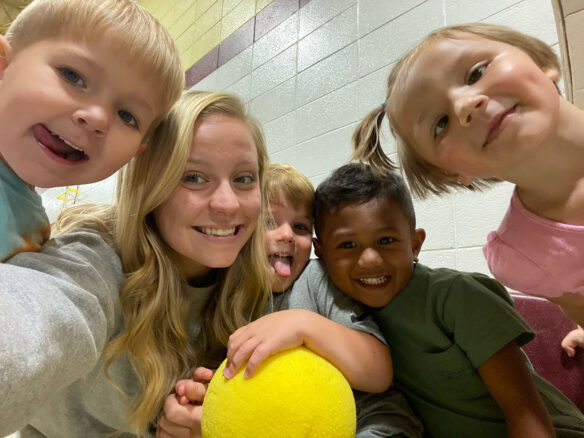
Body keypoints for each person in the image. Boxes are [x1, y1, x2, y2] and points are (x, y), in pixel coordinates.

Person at [0, 90, 272, 437]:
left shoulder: (256, 287)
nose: (227, 204)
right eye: (193, 177)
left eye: (244, 178)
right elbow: (39, 313)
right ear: (149, 185)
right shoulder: (97, 260)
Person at [312, 163, 584, 438]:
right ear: (320, 253)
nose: (370, 259)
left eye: (386, 240)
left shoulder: (457, 296)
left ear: (415, 245)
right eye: (347, 245)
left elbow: (523, 410)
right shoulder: (342, 313)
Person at [352, 23, 584, 332]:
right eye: (440, 123)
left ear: (541, 63)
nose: (464, 106)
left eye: (476, 73)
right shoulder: (523, 257)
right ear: (452, 173)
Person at [163, 163, 423, 438]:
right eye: (269, 222)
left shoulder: (316, 279)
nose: (286, 234)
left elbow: (379, 371)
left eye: (300, 227)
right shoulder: (228, 297)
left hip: (372, 424)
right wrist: (207, 400)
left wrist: (303, 325)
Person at [0, 0, 184, 261]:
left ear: (136, 152)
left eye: (127, 116)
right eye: (73, 76)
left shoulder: (33, 225)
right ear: (3, 65)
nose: (98, 118)